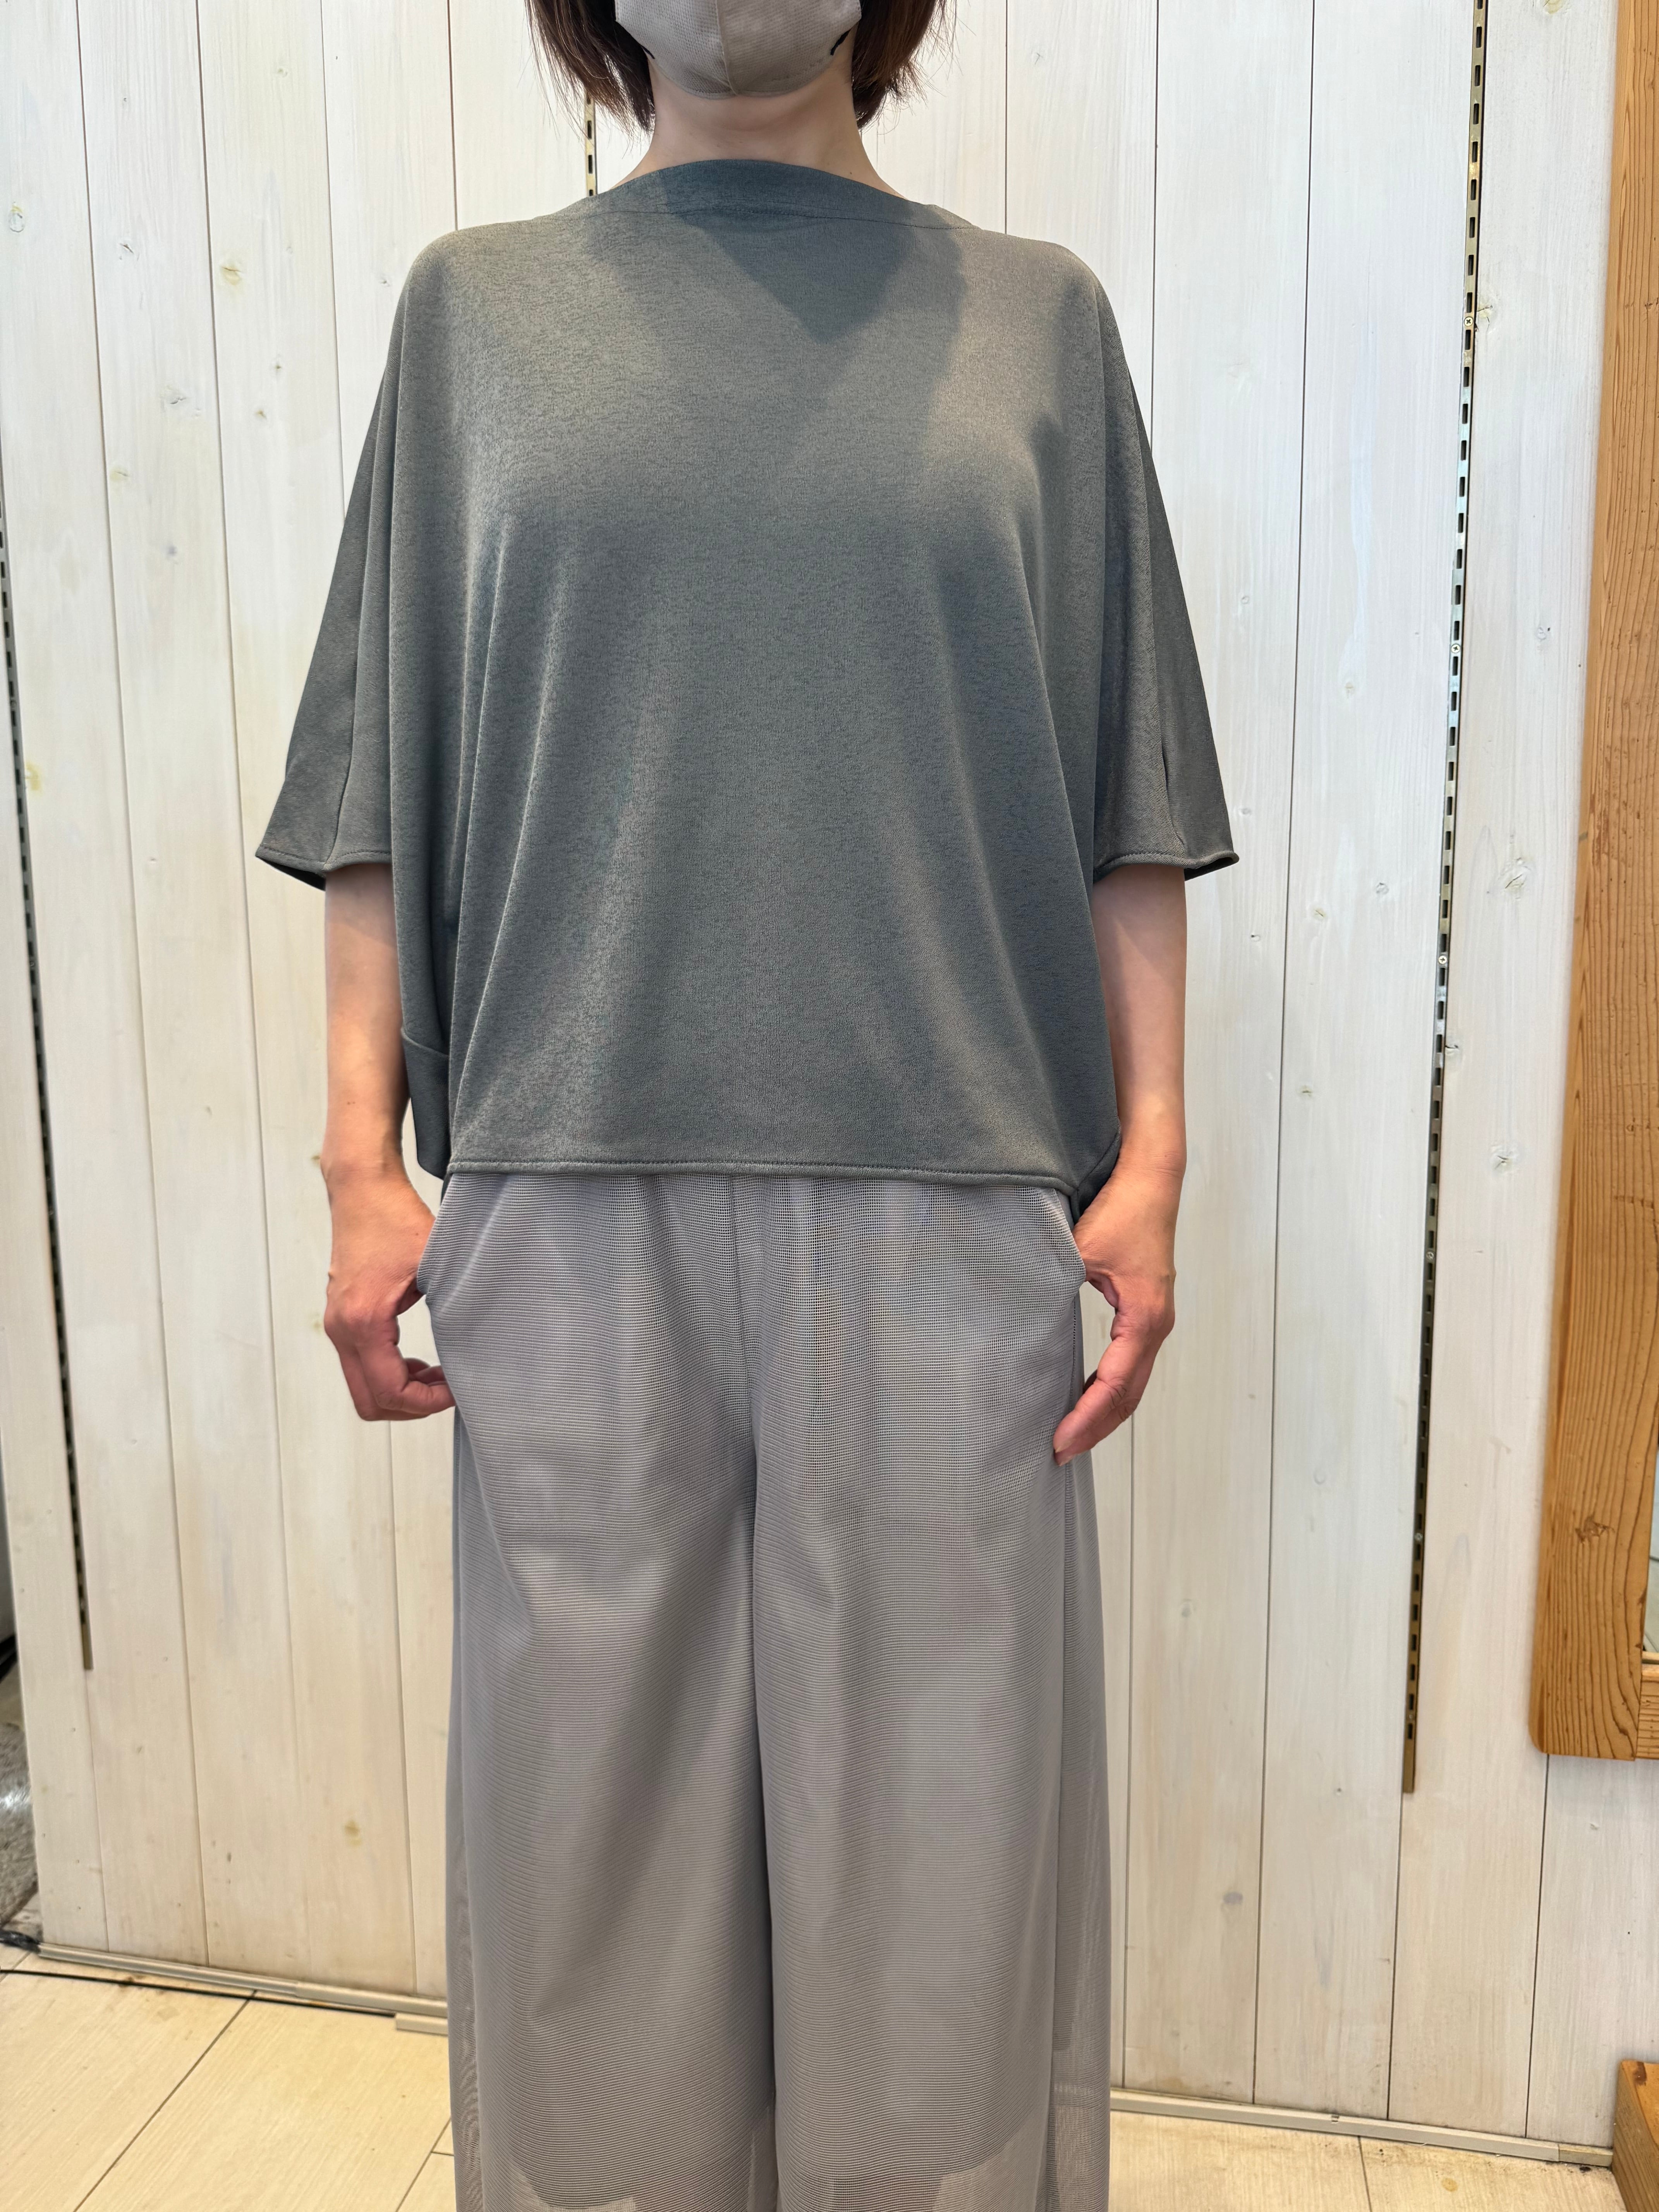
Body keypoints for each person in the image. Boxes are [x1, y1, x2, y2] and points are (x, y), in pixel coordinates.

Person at [255, 2, 1238, 2207]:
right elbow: (377, 790)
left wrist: (1157, 1149)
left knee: (941, 1938)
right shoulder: (474, 324)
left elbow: (1129, 797)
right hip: (568, 1197)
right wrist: (355, 1162)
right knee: (589, 1933)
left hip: (947, 1214)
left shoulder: (1038, 332)